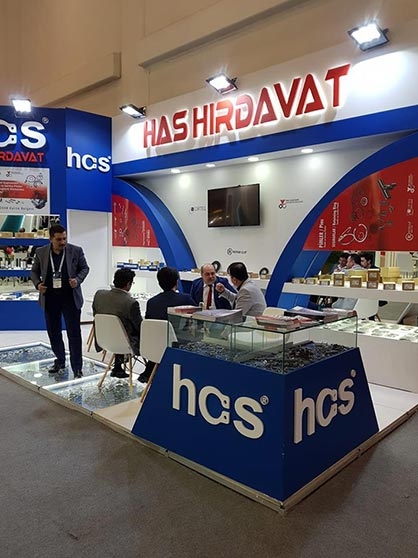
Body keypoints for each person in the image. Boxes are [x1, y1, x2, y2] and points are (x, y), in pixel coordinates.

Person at [30, 224, 89, 378]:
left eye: (64, 238)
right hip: (50, 299)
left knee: (74, 334)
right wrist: (38, 284)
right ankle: (60, 361)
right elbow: (34, 271)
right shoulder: (41, 252)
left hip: (70, 299)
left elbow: (85, 268)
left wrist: (77, 280)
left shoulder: (76, 251)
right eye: (59, 239)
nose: (63, 242)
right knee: (54, 333)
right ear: (51, 239)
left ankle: (77, 367)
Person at [139, 266, 196, 383]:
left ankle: (149, 371)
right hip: (176, 347)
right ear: (176, 282)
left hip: (154, 347)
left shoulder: (151, 302)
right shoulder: (185, 299)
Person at [92, 268, 142, 378]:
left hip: (103, 339)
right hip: (124, 343)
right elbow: (139, 326)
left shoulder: (99, 295)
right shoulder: (131, 303)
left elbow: (95, 313)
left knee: (122, 329)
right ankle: (148, 371)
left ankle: (118, 366)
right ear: (128, 284)